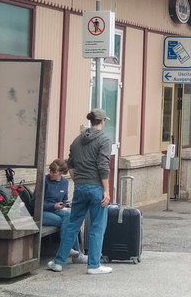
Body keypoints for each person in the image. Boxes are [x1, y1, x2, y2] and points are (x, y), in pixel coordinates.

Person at [47, 109, 113, 274]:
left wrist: (77, 181)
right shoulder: (104, 140)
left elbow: (70, 163)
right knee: (97, 226)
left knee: (72, 225)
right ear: (102, 121)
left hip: (80, 187)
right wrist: (106, 190)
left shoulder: (76, 140)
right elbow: (103, 166)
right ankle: (94, 265)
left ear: (91, 121)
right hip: (96, 187)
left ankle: (58, 262)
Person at [42, 159, 83, 260]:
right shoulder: (44, 181)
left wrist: (66, 204)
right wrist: (53, 206)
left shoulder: (64, 182)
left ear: (61, 173)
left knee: (70, 218)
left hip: (57, 211)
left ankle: (69, 250)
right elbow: (36, 203)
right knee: (70, 222)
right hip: (43, 212)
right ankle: (74, 253)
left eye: (54, 172)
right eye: (50, 171)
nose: (51, 174)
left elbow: (64, 199)